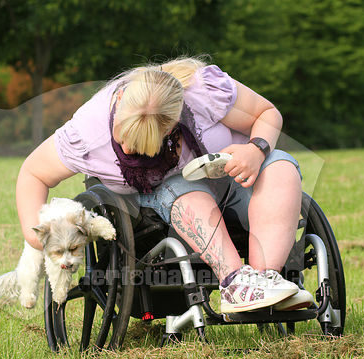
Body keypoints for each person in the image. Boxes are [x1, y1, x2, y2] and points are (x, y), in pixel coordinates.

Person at [16, 56, 312, 313]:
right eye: (124, 139)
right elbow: (34, 173)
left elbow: (266, 113)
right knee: (181, 186)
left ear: (171, 125)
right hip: (168, 199)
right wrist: (37, 238)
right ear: (119, 103)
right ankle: (235, 281)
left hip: (234, 179)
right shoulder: (88, 133)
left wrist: (256, 149)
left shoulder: (202, 91)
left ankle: (264, 280)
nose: (130, 150)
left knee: (281, 164)